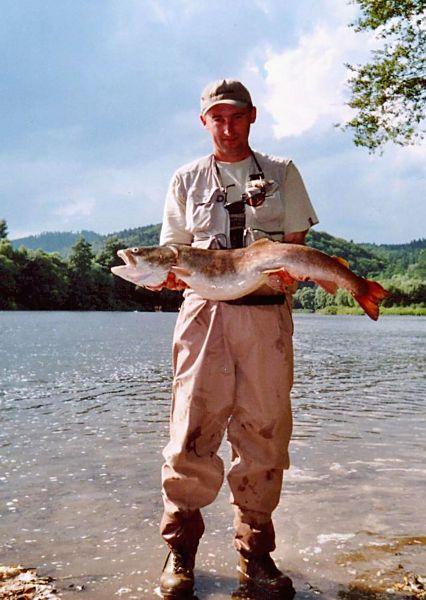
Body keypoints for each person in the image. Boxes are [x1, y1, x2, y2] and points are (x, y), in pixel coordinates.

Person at [158, 79, 318, 598]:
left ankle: (256, 555)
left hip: (266, 320)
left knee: (264, 436)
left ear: (252, 117)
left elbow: (295, 245)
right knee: (190, 432)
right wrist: (166, 276)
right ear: (204, 121)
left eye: (236, 116)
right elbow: (173, 250)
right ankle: (180, 552)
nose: (227, 127)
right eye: (217, 118)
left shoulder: (282, 173)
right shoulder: (185, 179)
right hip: (203, 317)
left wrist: (293, 273)